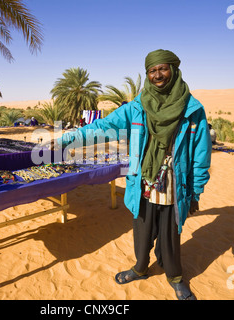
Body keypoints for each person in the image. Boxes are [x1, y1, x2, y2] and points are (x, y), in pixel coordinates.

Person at [51, 49, 212, 300]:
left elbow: (201, 155)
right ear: (147, 74)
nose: (158, 75)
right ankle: (140, 268)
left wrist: (196, 192)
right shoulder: (137, 107)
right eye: (152, 70)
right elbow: (104, 126)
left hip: (174, 183)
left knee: (170, 233)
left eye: (163, 68)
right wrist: (68, 138)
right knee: (143, 229)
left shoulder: (192, 110)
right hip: (143, 181)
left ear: (174, 69)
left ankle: (175, 276)